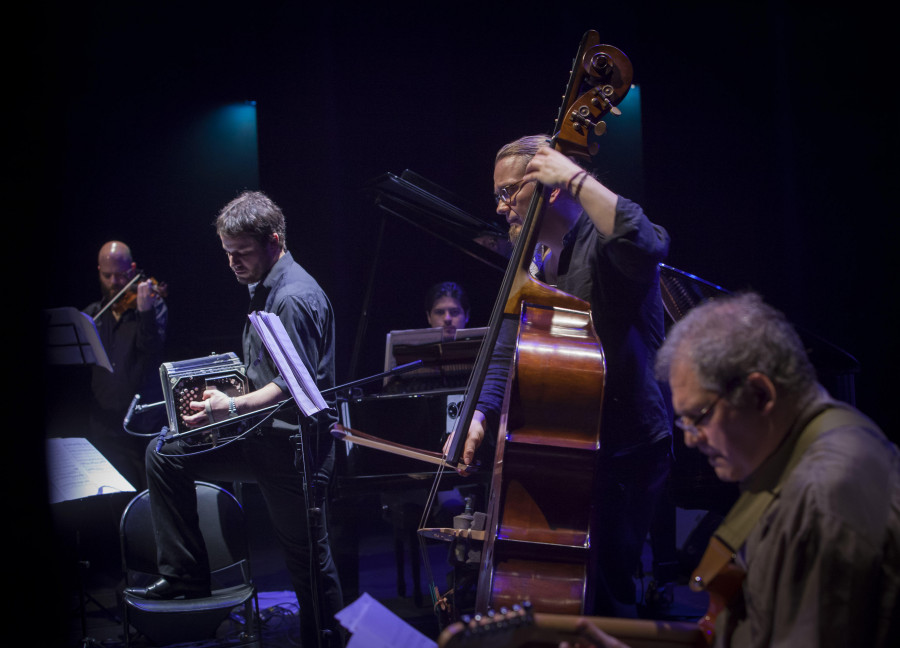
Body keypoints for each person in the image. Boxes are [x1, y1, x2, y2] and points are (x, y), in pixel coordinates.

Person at [455, 135, 673, 618]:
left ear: (551, 187)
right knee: (568, 590)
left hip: (627, 445)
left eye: (511, 192)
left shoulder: (602, 242)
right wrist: (481, 414)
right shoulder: (531, 257)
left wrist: (575, 175)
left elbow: (649, 240)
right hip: (571, 445)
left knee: (610, 593)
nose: (500, 207)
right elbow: (507, 341)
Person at [125, 191, 344, 648]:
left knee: (308, 565)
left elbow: (294, 386)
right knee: (165, 453)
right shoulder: (265, 287)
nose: (233, 263)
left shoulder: (293, 298)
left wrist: (231, 406)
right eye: (227, 254)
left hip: (294, 452)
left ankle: (328, 643)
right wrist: (218, 390)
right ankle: (185, 576)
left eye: (242, 253)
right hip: (263, 439)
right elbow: (264, 371)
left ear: (274, 241)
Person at [644, 292, 899, 647]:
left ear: (759, 394)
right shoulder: (803, 456)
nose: (689, 439)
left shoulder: (825, 496)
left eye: (697, 418)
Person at [82, 240, 167, 490]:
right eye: (107, 276)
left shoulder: (154, 306)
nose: (114, 283)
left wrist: (145, 313)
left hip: (138, 426)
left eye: (120, 276)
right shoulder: (93, 315)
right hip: (102, 425)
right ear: (99, 270)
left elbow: (152, 352)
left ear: (132, 270)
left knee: (142, 497)